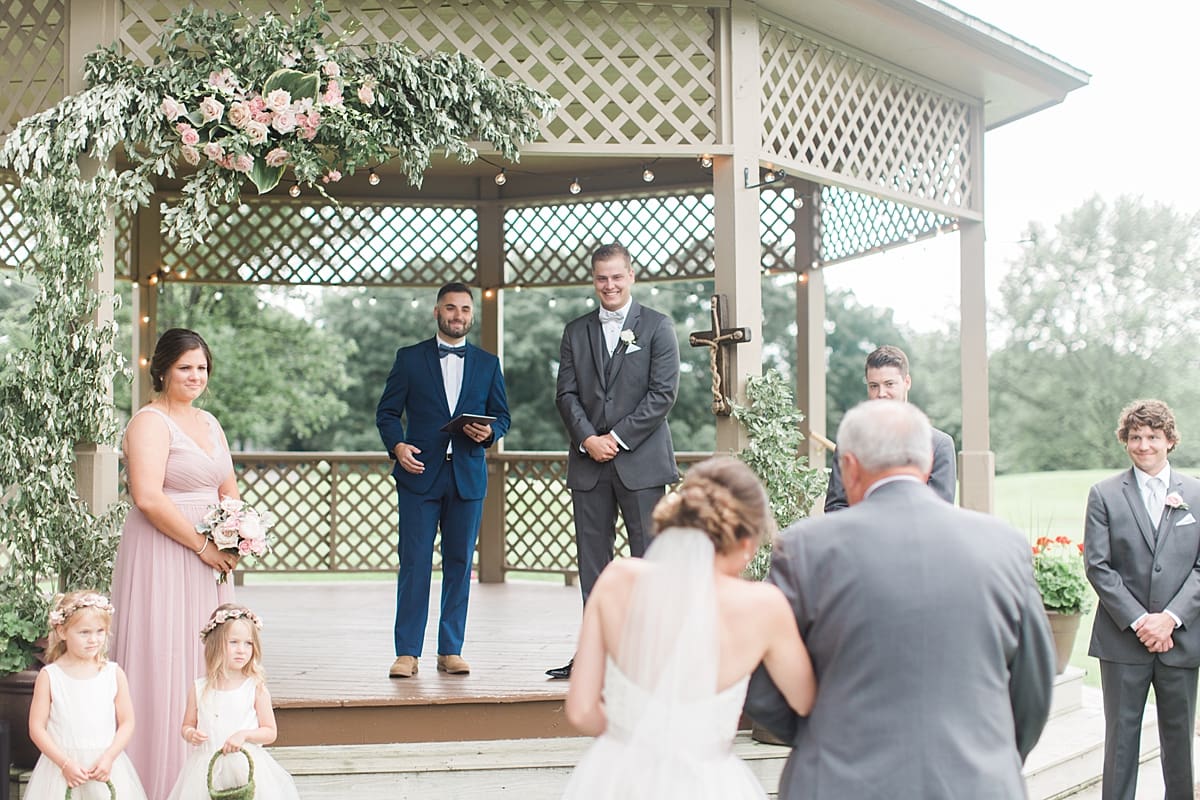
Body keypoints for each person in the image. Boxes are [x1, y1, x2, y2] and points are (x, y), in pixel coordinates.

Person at [745, 400, 1055, 799]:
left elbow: (763, 686)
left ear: (850, 467)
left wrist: (821, 735)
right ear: (927, 465)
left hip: (839, 782)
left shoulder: (804, 548)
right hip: (975, 785)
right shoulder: (1004, 545)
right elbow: (1033, 686)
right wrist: (990, 758)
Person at [562, 457, 815, 799]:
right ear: (746, 543)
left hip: (616, 775)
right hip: (706, 782)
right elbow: (807, 702)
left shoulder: (616, 580)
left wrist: (636, 738)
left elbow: (580, 711)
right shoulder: (764, 607)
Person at [110, 328, 240, 799]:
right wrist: (203, 546)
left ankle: (208, 775)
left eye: (202, 367)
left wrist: (236, 532)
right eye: (185, 367)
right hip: (163, 552)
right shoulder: (148, 422)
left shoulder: (210, 423)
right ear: (162, 369)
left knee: (207, 653)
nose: (195, 376)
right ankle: (156, 775)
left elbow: (228, 486)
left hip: (210, 558)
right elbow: (147, 497)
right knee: (163, 652)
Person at [548, 243, 680, 680]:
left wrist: (616, 439)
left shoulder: (658, 327)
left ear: (631, 276)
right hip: (589, 465)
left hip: (641, 464)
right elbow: (565, 393)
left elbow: (663, 395)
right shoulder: (575, 331)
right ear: (594, 279)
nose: (610, 285)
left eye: (617, 277)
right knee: (593, 563)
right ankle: (596, 654)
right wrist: (588, 438)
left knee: (650, 560)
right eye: (602, 278)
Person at [376, 282, 510, 678]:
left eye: (465, 309)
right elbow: (386, 413)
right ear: (437, 312)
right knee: (414, 564)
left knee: (458, 564)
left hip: (467, 477)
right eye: (451, 308)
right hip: (419, 475)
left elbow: (502, 416)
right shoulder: (410, 359)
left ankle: (450, 649)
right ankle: (407, 652)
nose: (458, 316)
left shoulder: (488, 364)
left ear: (472, 314)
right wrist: (398, 447)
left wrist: (490, 434)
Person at [1084, 399, 1200, 800]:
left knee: (1180, 744)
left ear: (1169, 440)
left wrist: (1170, 618)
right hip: (1122, 642)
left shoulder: (1197, 494)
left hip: (1180, 641)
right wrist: (1141, 621)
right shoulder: (1104, 495)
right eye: (1135, 436)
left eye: (1153, 436)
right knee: (1120, 745)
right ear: (1125, 441)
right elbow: (1098, 566)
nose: (1143, 445)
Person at [165, 604, 299, 800]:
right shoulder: (200, 688)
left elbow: (270, 731)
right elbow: (187, 724)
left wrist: (244, 735)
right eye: (234, 642)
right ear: (216, 644)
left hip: (245, 769)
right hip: (206, 768)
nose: (241, 650)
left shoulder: (255, 687)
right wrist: (191, 733)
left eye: (248, 643)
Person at [25, 592, 148, 800]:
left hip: (103, 766)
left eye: (100, 631)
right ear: (62, 631)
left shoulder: (113, 674)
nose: (93, 639)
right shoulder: (50, 676)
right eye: (84, 632)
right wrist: (65, 763)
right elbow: (36, 728)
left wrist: (109, 757)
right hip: (61, 768)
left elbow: (127, 722)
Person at [823, 344, 956, 511]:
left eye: (889, 384)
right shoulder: (849, 443)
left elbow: (939, 513)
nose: (881, 393)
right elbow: (836, 508)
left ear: (907, 382)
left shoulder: (939, 445)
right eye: (874, 386)